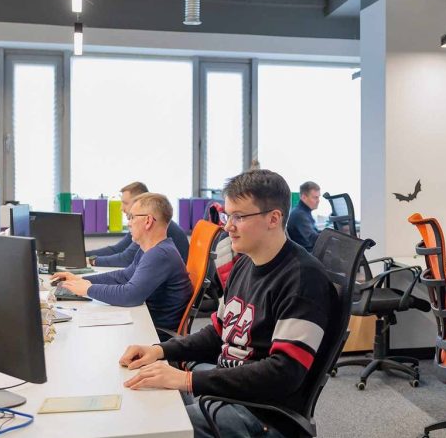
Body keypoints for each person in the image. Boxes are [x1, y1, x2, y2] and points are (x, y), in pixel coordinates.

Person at [118, 169, 334, 438]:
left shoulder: (303, 279)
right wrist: (160, 350)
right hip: (230, 388)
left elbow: (284, 372)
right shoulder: (244, 263)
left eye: (239, 217)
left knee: (152, 424)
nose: (228, 226)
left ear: (273, 218)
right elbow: (218, 332)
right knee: (144, 398)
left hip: (262, 412)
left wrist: (188, 380)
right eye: (228, 216)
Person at [53, 193, 192, 342]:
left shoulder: (160, 255)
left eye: (131, 217)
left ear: (148, 221)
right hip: (145, 323)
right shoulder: (149, 250)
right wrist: (81, 280)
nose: (129, 223)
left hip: (155, 335)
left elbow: (130, 295)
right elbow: (125, 276)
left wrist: (87, 289)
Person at [86, 182, 189, 267]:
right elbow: (117, 250)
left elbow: (127, 259)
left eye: (125, 203)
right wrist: (83, 256)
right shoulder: (141, 223)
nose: (121, 208)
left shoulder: (155, 225)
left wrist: (91, 260)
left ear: (139, 202)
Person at [286, 181, 321, 252]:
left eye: (318, 197)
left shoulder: (304, 212)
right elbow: (313, 239)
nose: (318, 201)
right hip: (307, 254)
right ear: (304, 197)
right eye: (315, 197)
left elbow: (315, 233)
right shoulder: (300, 215)